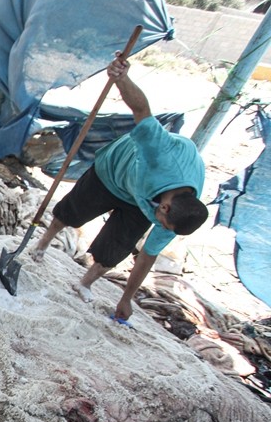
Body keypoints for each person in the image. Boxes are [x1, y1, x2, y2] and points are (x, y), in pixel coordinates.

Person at [31, 52, 208, 320]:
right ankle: (41, 245)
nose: (160, 226)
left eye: (163, 225)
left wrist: (126, 299)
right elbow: (141, 111)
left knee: (117, 246)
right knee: (71, 212)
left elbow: (146, 257)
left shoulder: (177, 217)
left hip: (141, 199)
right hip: (115, 171)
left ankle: (84, 283)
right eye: (161, 220)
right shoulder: (162, 153)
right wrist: (121, 78)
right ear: (166, 206)